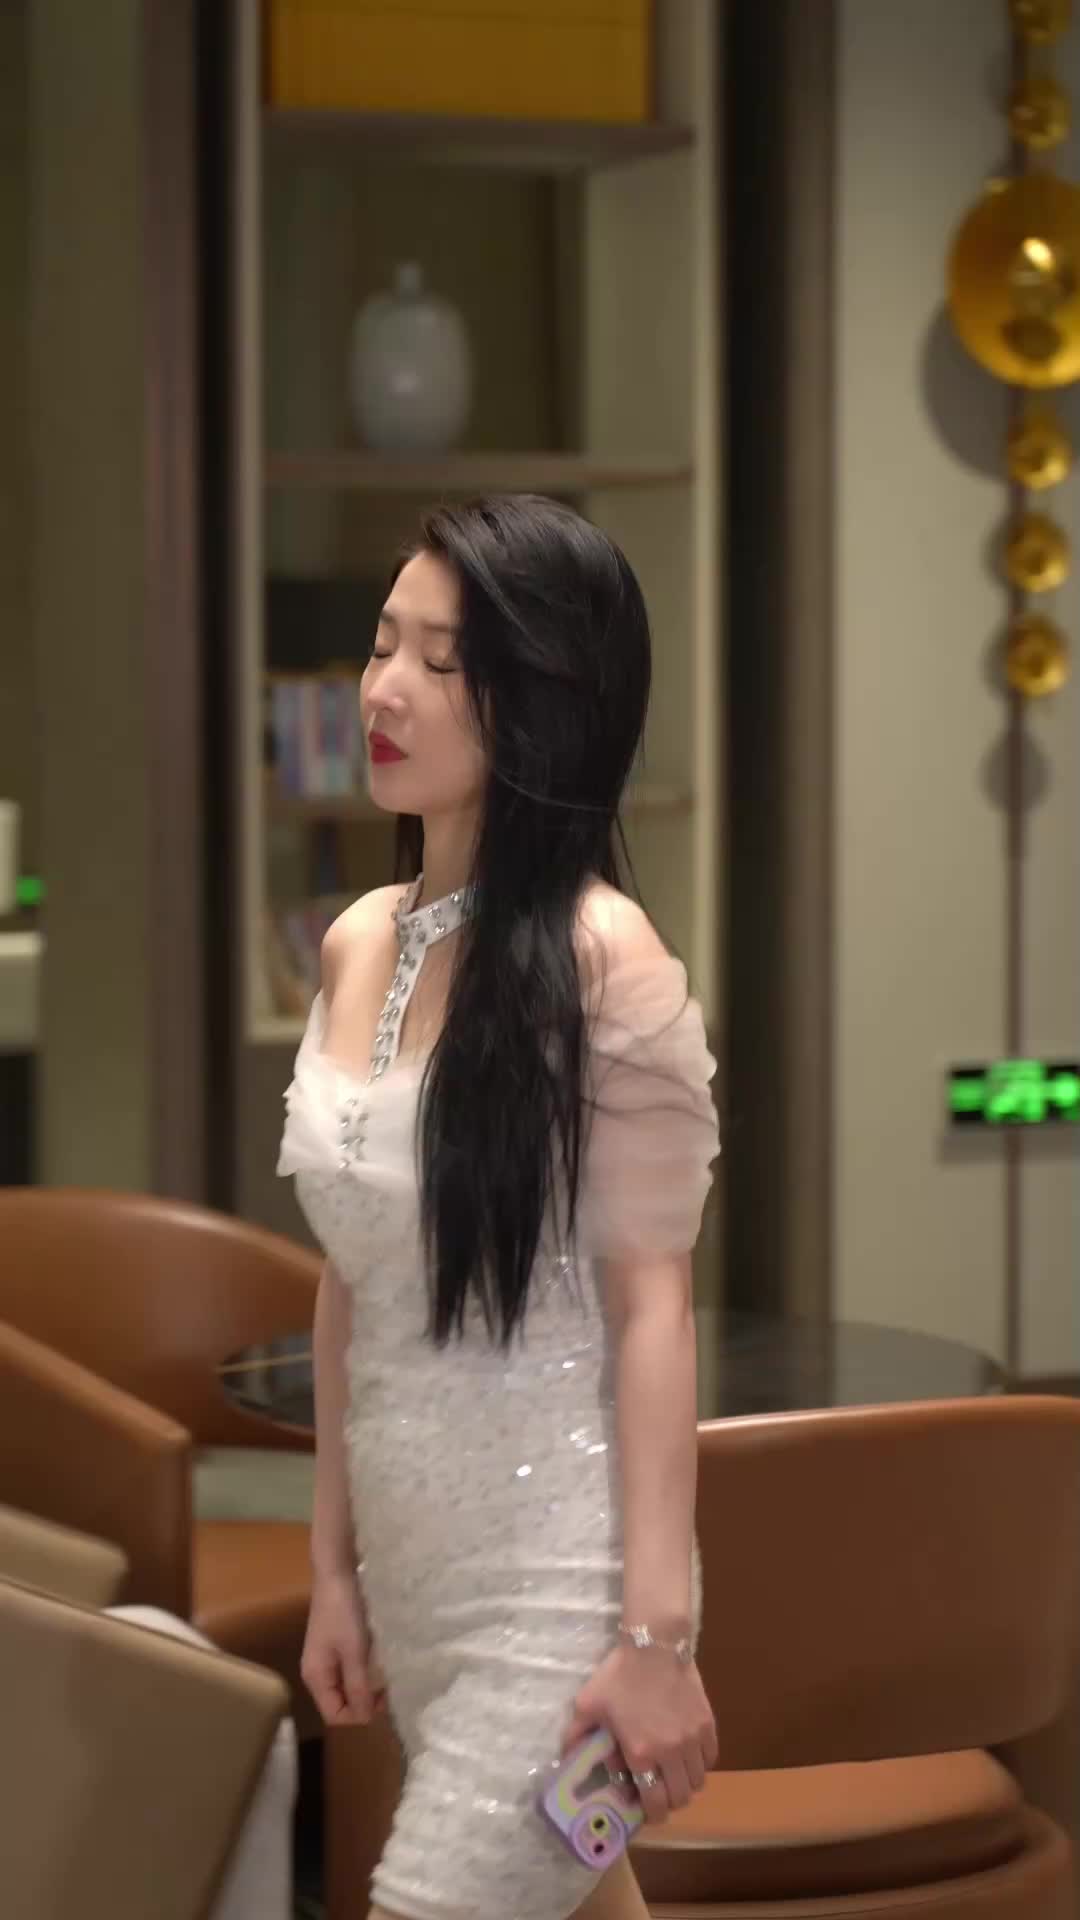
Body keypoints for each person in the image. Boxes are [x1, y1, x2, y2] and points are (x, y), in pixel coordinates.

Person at [279, 495, 720, 1920]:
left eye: (440, 662)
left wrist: (657, 1639)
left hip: (560, 1596)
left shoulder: (602, 956)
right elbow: (353, 1281)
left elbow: (653, 1312)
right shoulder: (357, 940)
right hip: (417, 1579)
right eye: (381, 644)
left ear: (541, 701)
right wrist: (331, 1564)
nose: (383, 690)